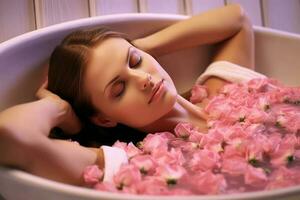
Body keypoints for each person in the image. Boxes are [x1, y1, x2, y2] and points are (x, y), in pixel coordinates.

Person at [0, 4, 265, 186]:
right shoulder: (133, 164)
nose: (144, 80)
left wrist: (139, 46)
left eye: (136, 62)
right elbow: (9, 135)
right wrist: (59, 108)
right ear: (104, 119)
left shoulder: (228, 95)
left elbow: (237, 19)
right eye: (119, 88)